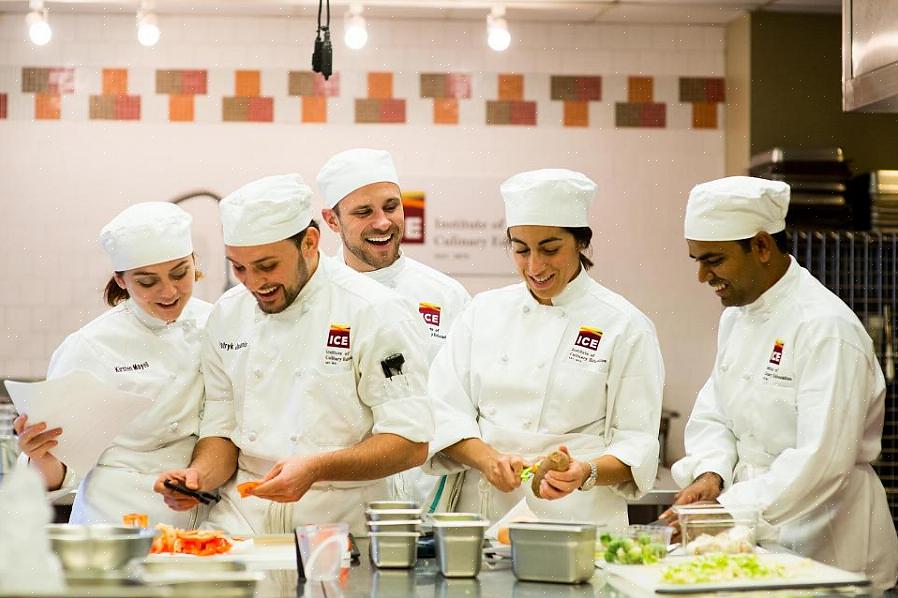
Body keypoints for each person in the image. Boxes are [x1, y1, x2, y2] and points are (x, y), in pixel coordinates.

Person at [153, 174, 434, 536]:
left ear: (310, 243)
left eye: (268, 266)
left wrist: (317, 467)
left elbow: (410, 444)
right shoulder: (228, 313)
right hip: (245, 519)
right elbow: (221, 431)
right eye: (239, 267)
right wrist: (198, 477)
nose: (254, 283)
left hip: (341, 523)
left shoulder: (375, 311)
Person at [666, 175, 898, 589]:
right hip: (758, 531)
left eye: (714, 260)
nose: (702, 277)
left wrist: (728, 512)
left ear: (760, 246)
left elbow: (823, 460)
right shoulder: (737, 316)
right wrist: (711, 475)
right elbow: (716, 412)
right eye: (696, 260)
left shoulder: (825, 328)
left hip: (828, 541)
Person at [425, 169, 664, 527]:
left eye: (550, 250)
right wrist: (488, 459)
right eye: (521, 250)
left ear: (581, 243)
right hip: (485, 517)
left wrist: (586, 471)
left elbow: (637, 443)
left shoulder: (625, 325)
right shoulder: (483, 312)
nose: (535, 267)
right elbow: (442, 411)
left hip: (578, 519)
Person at [14, 202, 212, 526]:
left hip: (204, 520)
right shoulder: (91, 346)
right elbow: (59, 468)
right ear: (120, 279)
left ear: (194, 262)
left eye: (180, 273)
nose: (169, 291)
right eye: (147, 282)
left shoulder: (217, 324)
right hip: (117, 523)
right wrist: (41, 454)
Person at [317, 148, 471, 506]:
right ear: (332, 220)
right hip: (347, 497)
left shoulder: (448, 297)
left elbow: (468, 401)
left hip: (431, 492)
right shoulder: (317, 299)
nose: (383, 222)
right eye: (363, 212)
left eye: (391, 206)